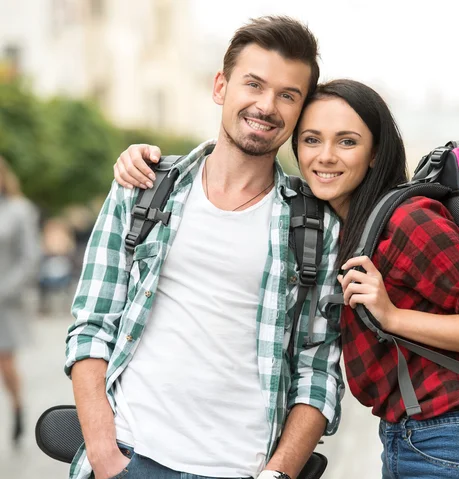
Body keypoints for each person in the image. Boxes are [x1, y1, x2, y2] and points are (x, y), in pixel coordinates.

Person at [117, 79, 459, 479]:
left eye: (347, 142)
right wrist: (142, 159)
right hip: (411, 438)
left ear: (375, 153)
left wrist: (392, 317)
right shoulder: (338, 225)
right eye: (312, 139)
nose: (326, 156)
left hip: (451, 439)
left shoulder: (409, 220)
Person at [66, 16, 343, 479]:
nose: (266, 105)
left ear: (299, 113)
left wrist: (278, 474)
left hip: (242, 468)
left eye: (288, 95)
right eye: (253, 84)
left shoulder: (314, 225)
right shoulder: (143, 188)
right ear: (221, 86)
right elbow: (93, 322)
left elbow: (318, 372)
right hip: (132, 456)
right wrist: (104, 456)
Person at [0, 155, 40, 447]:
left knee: (5, 362)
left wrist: (4, 290)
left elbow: (30, 259)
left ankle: (17, 408)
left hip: (6, 301)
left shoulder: (19, 209)